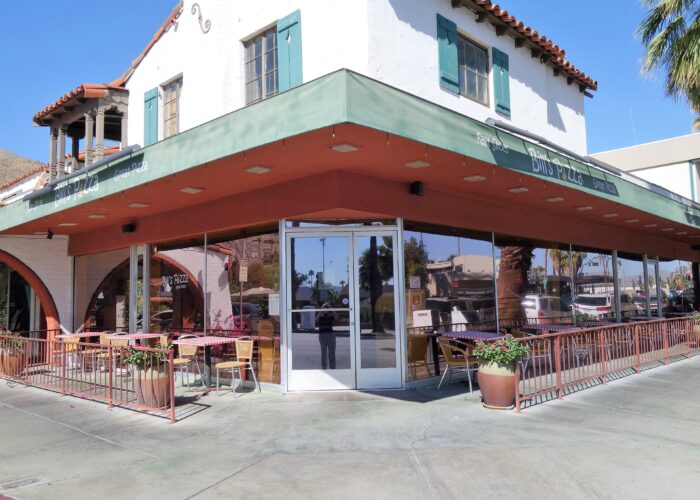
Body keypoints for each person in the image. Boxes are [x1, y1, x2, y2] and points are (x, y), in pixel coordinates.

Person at [316, 302, 337, 369]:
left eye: (326, 308)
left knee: (332, 352)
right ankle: (324, 367)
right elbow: (316, 320)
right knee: (323, 352)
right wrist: (321, 309)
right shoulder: (320, 316)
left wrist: (331, 309)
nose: (326, 309)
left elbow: (336, 317)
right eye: (324, 308)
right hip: (322, 335)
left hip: (330, 334)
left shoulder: (330, 316)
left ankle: (332, 367)